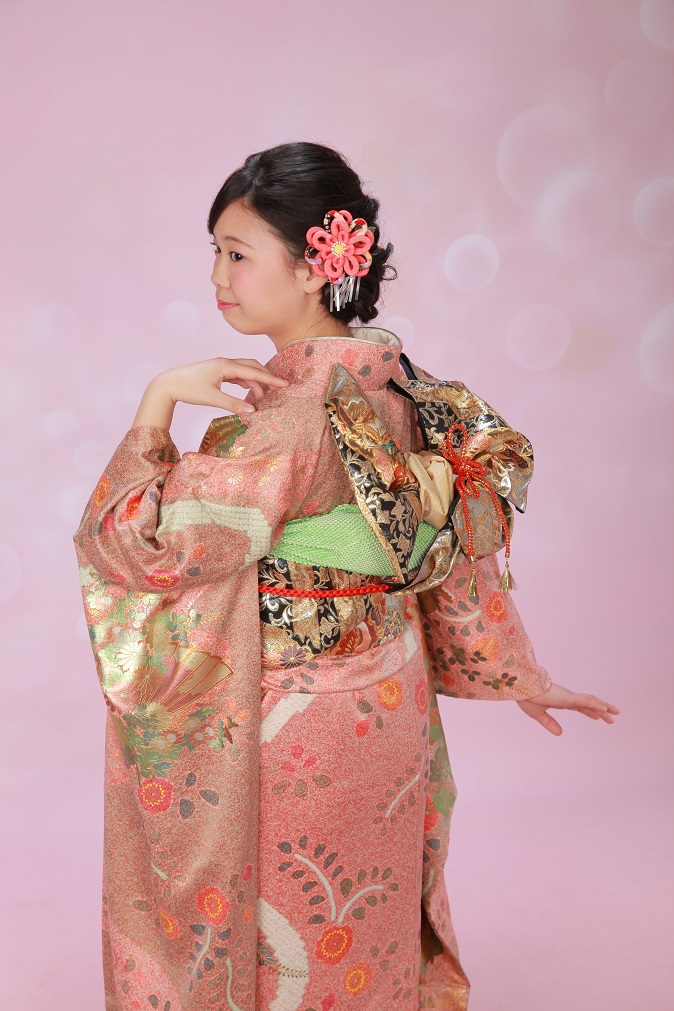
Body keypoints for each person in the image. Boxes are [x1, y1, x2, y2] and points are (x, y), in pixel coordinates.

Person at [74, 140, 620, 1011]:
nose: (217, 275)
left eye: (238, 254)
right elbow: (444, 558)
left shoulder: (286, 418)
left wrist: (158, 400)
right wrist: (516, 670)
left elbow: (137, 544)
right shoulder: (403, 387)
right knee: (360, 927)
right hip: (389, 706)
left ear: (314, 267)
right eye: (215, 251)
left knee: (285, 930)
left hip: (293, 724)